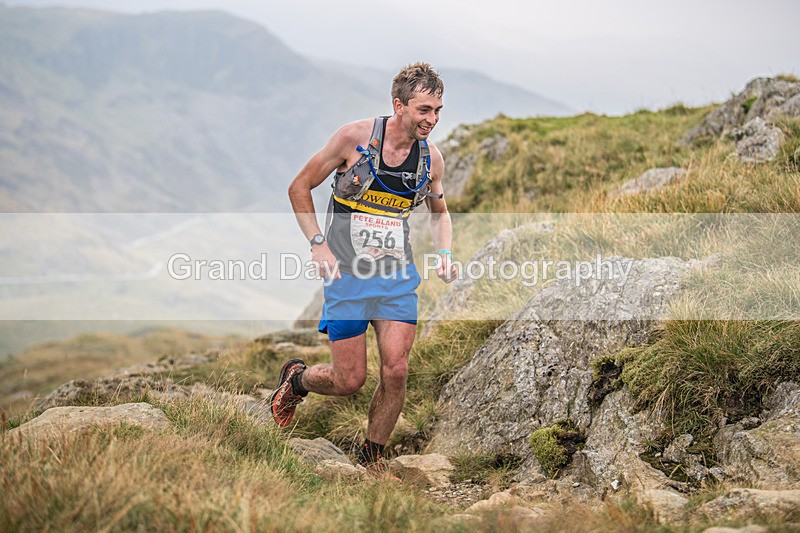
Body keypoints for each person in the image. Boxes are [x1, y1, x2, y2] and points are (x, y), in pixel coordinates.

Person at [272, 62, 456, 473]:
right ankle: (298, 379)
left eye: (438, 110)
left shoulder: (431, 160)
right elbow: (298, 187)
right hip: (347, 279)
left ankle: (372, 457)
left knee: (397, 369)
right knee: (349, 380)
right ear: (399, 105)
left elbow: (440, 213)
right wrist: (318, 244)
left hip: (395, 279)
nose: (433, 119)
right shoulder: (353, 139)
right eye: (424, 110)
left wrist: (444, 253)